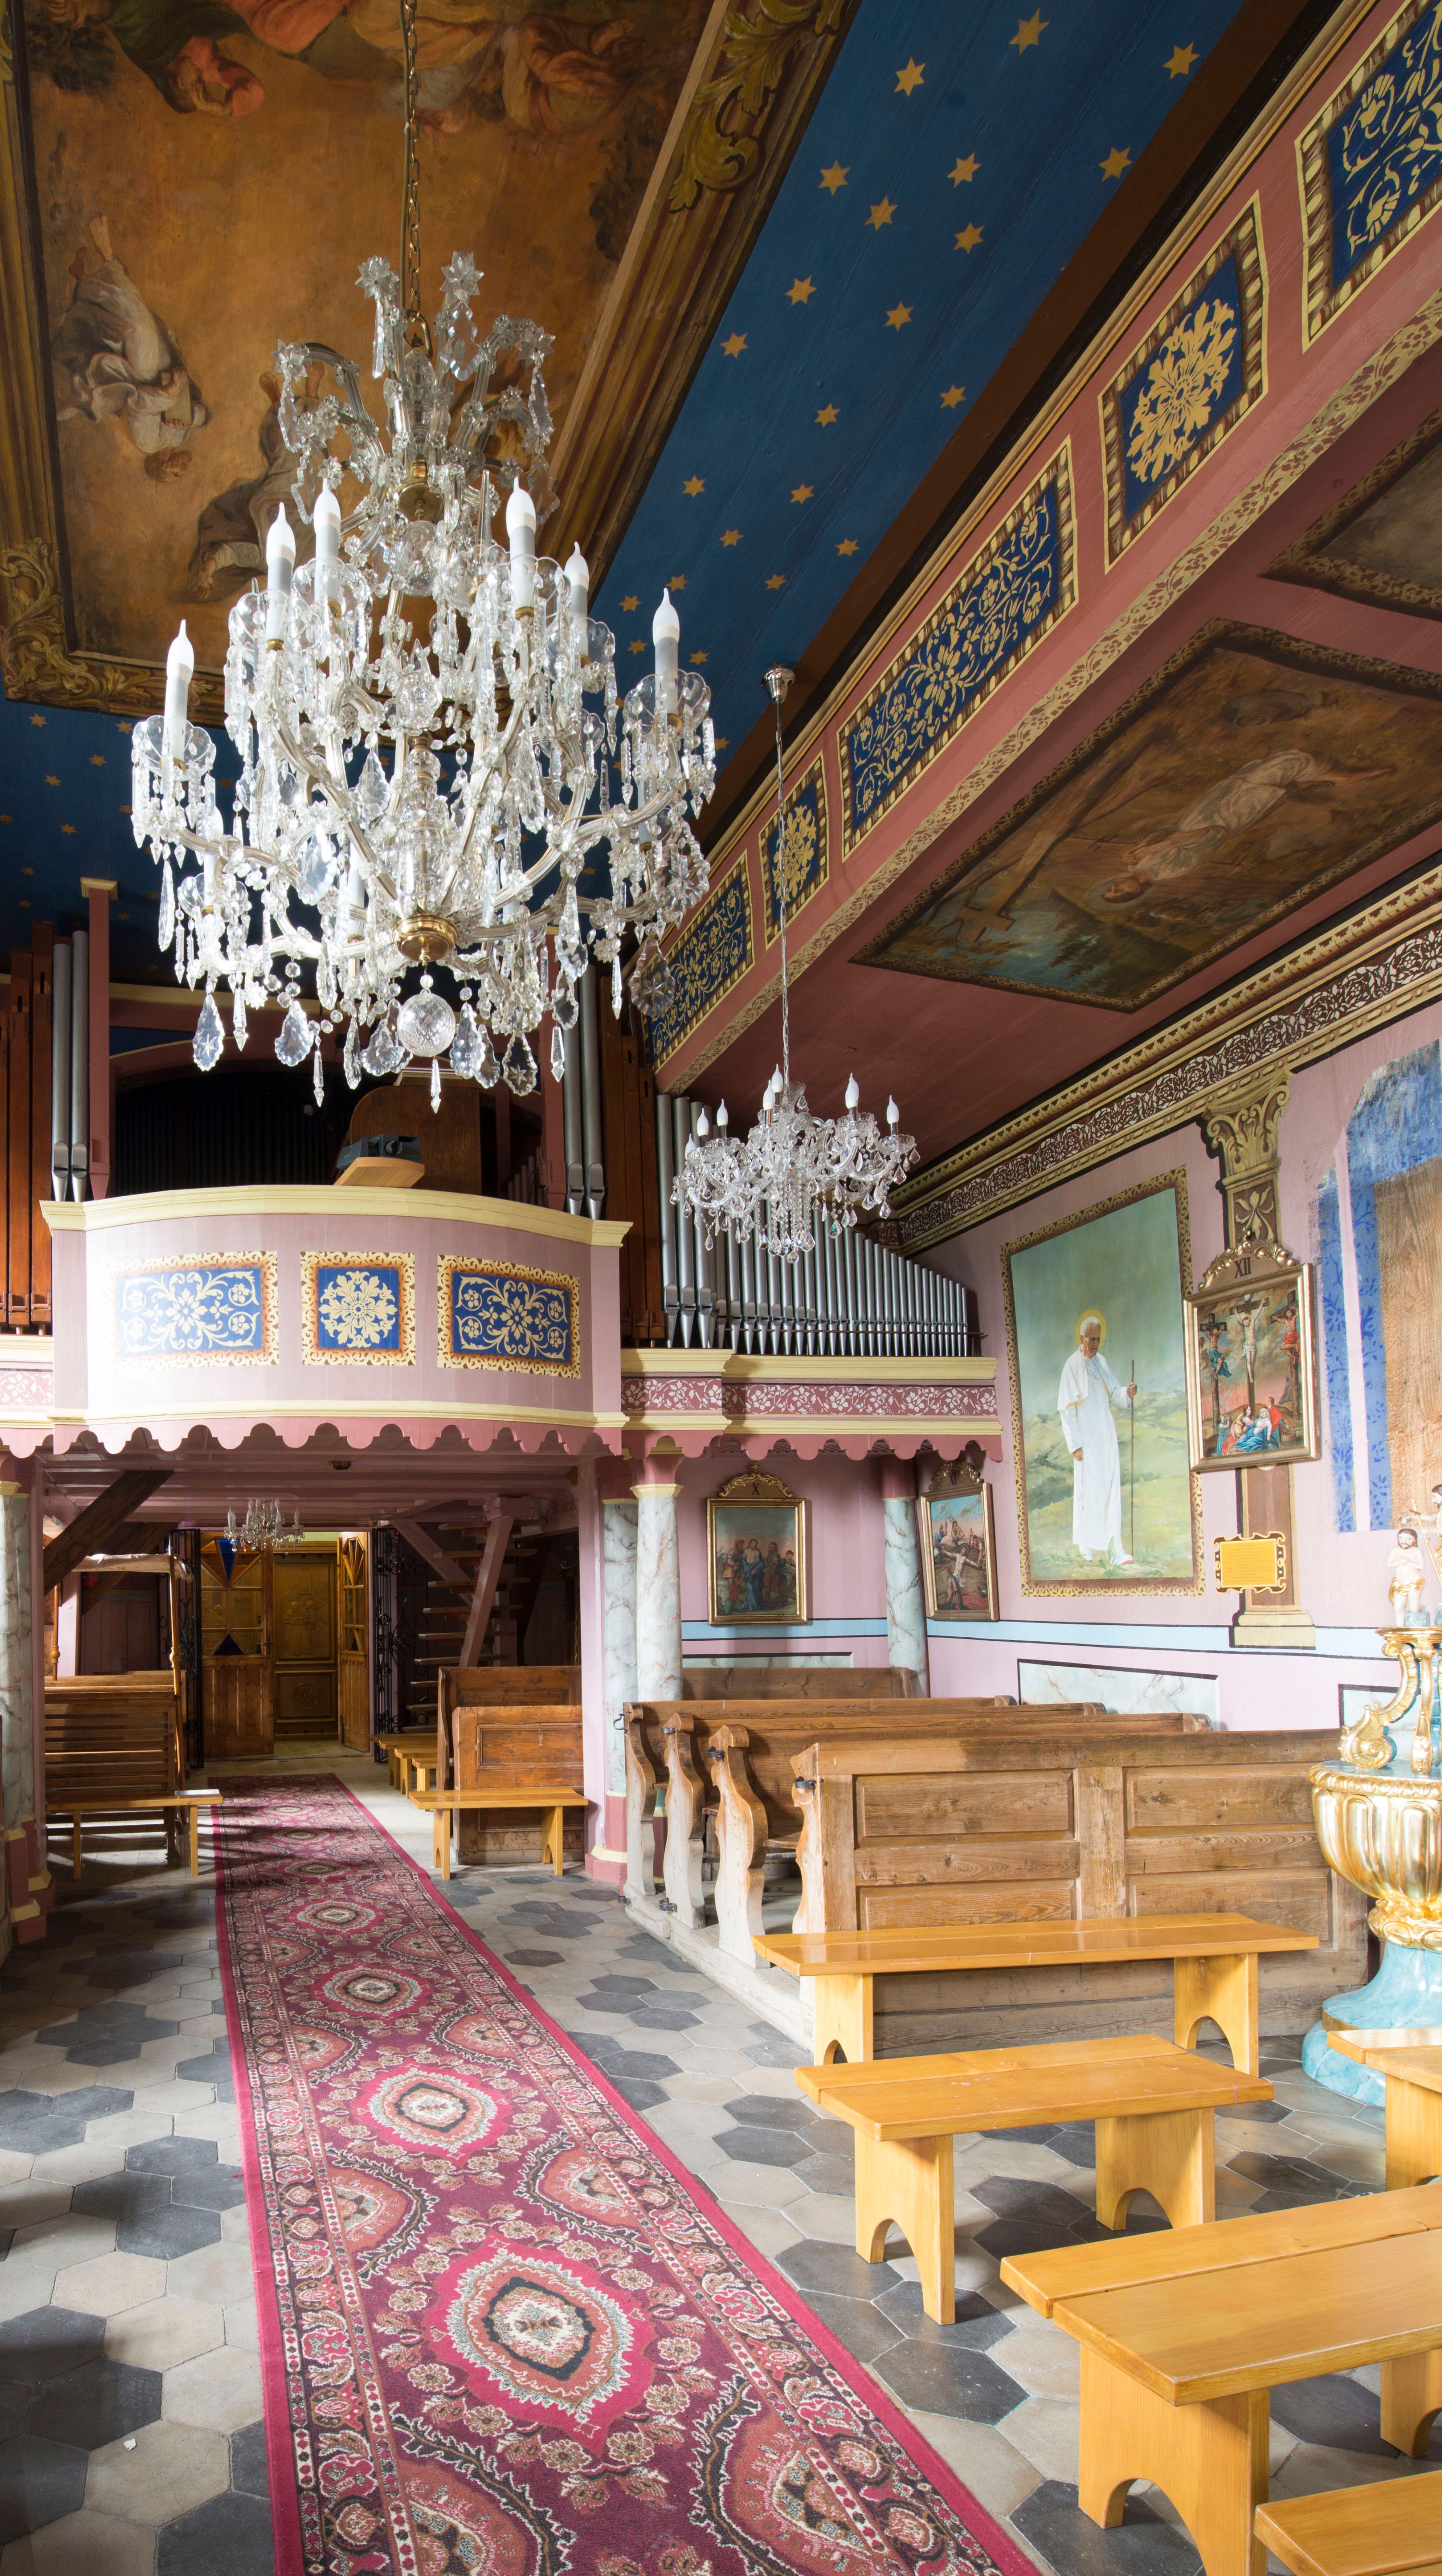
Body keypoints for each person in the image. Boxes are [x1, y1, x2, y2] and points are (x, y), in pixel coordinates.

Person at [1057, 1315, 1137, 1568]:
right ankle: (1086, 1543)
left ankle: (1116, 1550)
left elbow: (1114, 1394)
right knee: (1088, 1492)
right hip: (1087, 1440)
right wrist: (1075, 1445)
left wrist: (1127, 1393)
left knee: (1111, 1490)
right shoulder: (1072, 1366)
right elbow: (1067, 1410)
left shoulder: (1101, 1361)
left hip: (1106, 1437)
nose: (1095, 1344)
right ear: (1082, 1338)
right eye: (1091, 1339)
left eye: (1098, 1339)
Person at [1388, 1525, 1428, 1628]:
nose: (1404, 1541)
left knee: (1414, 1608)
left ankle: (1421, 1607)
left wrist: (1408, 1562)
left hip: (1414, 1583)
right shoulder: (1395, 1551)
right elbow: (1389, 1564)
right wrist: (1401, 1562)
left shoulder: (1417, 1551)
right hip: (1400, 1584)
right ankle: (1400, 1628)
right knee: (1398, 1607)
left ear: (1414, 1540)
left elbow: (1421, 1566)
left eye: (1408, 1539)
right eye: (1401, 1538)